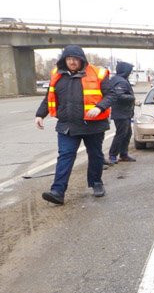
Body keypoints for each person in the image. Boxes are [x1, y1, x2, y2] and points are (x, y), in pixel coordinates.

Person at [34, 45, 118, 204]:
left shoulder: (98, 73)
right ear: (64, 60)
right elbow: (49, 97)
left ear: (82, 60)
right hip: (67, 125)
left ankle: (96, 182)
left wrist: (99, 107)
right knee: (65, 156)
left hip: (93, 125)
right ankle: (57, 191)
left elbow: (111, 95)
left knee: (95, 155)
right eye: (69, 59)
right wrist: (40, 114)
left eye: (75, 59)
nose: (72, 62)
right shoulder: (57, 75)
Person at [106, 60, 137, 164]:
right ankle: (113, 155)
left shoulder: (118, 79)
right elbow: (119, 96)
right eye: (130, 71)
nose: (130, 73)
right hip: (121, 113)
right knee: (121, 134)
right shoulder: (121, 81)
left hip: (124, 112)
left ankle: (123, 154)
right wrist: (132, 98)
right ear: (125, 71)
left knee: (127, 133)